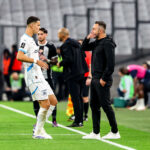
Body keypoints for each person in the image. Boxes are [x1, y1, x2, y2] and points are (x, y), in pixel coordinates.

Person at [17, 16, 57, 139]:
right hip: (32, 76)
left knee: (53, 102)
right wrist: (37, 61)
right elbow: (19, 56)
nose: (39, 27)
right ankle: (38, 132)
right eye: (38, 25)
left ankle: (39, 127)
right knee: (45, 104)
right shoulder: (25, 39)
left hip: (39, 75)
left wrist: (41, 62)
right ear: (31, 25)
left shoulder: (31, 39)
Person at [81, 21, 120, 140]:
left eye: (94, 29)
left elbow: (111, 64)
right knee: (94, 105)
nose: (92, 31)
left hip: (102, 80)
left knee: (106, 105)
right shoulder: (97, 42)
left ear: (101, 30)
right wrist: (88, 38)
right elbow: (84, 47)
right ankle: (95, 132)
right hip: (95, 79)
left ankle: (115, 131)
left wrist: (104, 78)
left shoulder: (107, 43)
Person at [57, 28, 88, 127]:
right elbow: (83, 55)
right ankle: (80, 120)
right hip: (81, 72)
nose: (58, 36)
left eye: (59, 34)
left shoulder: (65, 45)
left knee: (75, 98)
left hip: (72, 74)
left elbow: (69, 59)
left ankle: (78, 121)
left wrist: (60, 63)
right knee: (79, 97)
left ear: (62, 35)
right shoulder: (77, 43)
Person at [33, 27, 58, 127]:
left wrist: (46, 60)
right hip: (36, 78)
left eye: (41, 34)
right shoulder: (34, 45)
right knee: (36, 99)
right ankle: (38, 121)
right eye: (38, 34)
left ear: (46, 34)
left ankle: (54, 120)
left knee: (52, 99)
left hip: (47, 78)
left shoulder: (51, 46)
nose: (39, 36)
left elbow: (56, 62)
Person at [78, 39, 92, 121]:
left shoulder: (88, 54)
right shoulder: (76, 54)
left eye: (80, 44)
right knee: (77, 97)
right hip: (77, 77)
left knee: (85, 97)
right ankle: (78, 114)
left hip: (85, 77)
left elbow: (90, 66)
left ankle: (85, 115)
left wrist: (89, 77)